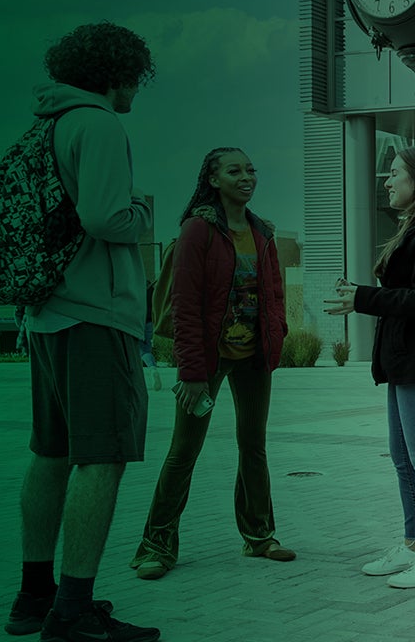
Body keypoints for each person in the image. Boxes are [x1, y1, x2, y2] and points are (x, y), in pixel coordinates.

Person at [11, 23, 161, 641]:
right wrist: (142, 209)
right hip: (96, 314)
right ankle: (72, 612)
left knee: (50, 453)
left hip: (47, 312)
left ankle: (34, 597)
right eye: (135, 78)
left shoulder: (46, 125)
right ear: (117, 74)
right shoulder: (97, 124)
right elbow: (105, 218)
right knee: (101, 458)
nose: (137, 91)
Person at [129, 148, 292, 581]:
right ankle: (156, 546)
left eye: (250, 169)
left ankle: (259, 536)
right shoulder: (197, 230)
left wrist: (276, 334)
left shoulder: (261, 232)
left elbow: (275, 293)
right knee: (184, 451)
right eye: (234, 170)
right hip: (208, 358)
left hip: (253, 357)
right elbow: (184, 305)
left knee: (253, 446)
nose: (246, 176)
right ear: (214, 180)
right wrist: (191, 373)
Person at [325, 146, 415, 589]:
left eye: (395, 174)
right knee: (405, 459)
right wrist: (363, 295)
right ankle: (414, 543)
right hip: (407, 361)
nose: (387, 182)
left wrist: (363, 298)